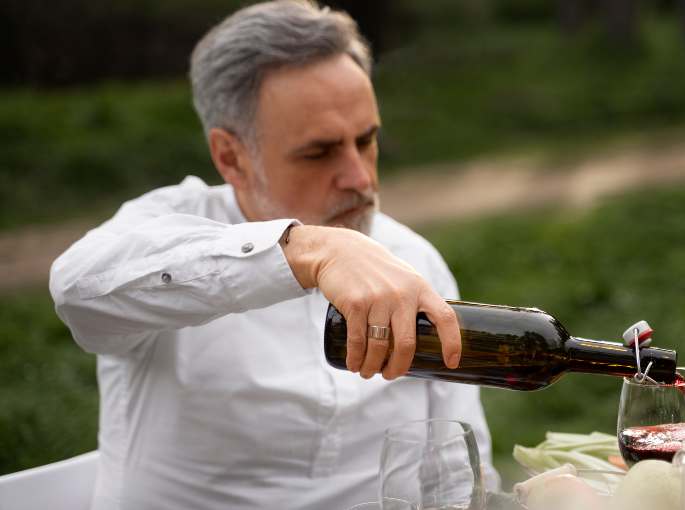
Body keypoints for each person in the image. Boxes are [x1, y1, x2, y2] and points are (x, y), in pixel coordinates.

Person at [49, 1, 499, 508]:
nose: (360, 178)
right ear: (231, 157)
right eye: (318, 152)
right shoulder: (168, 231)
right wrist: (306, 249)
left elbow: (459, 476)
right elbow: (77, 293)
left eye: (367, 140)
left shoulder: (412, 260)